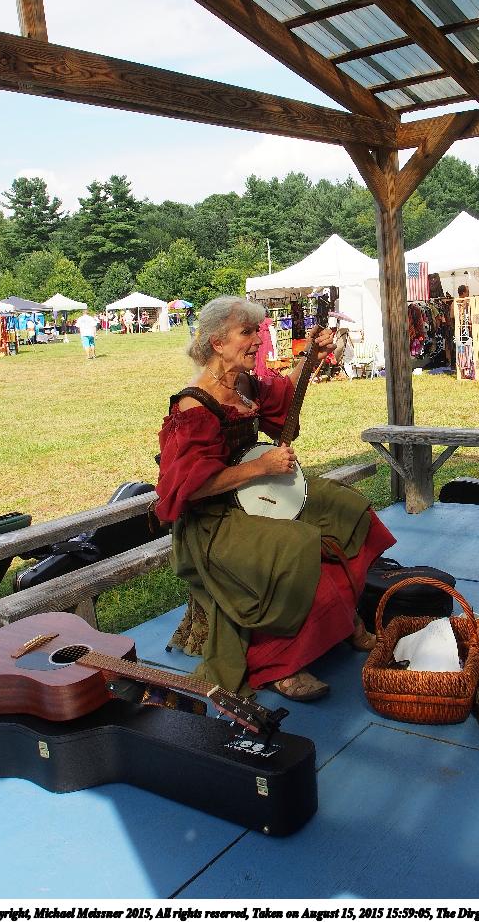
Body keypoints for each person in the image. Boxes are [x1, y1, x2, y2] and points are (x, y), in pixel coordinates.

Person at [155, 295, 395, 701]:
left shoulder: (244, 385)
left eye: (258, 331)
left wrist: (312, 357)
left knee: (345, 506)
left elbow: (285, 396)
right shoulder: (194, 404)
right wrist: (261, 468)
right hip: (212, 521)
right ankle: (280, 665)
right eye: (247, 333)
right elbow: (189, 488)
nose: (258, 341)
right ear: (217, 342)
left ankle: (343, 619)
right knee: (296, 545)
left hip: (256, 495)